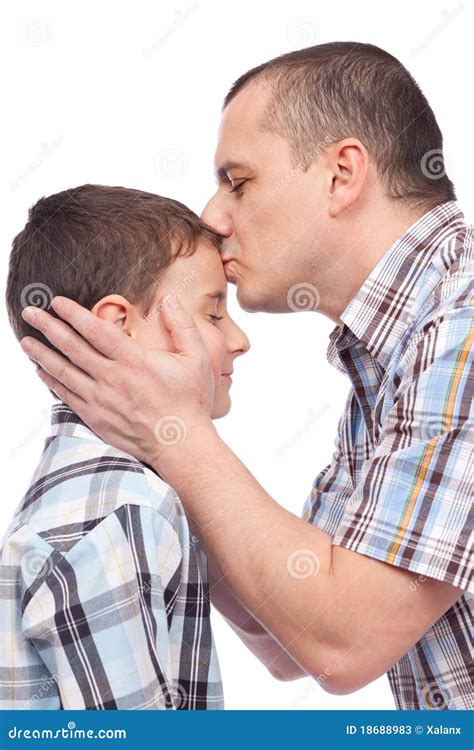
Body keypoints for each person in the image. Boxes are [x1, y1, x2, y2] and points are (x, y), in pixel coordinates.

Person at [19, 43, 473, 710]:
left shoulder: (460, 327)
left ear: (342, 174)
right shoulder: (391, 356)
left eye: (240, 180)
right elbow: (286, 633)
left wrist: (173, 432)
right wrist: (152, 432)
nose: (214, 215)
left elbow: (345, 639)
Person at [2, 184, 249, 709]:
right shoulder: (121, 514)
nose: (239, 340)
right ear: (119, 328)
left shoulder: (88, 493)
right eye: (212, 314)